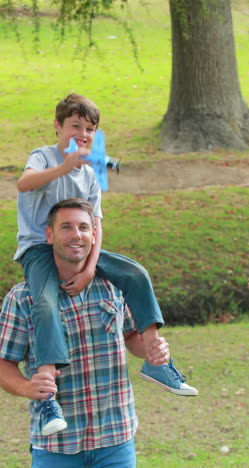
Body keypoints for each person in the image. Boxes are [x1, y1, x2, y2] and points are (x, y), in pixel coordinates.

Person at [14, 93, 198, 435]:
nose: (82, 135)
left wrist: (88, 269)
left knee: (135, 273)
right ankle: (46, 397)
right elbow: (23, 183)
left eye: (89, 130)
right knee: (44, 303)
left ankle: (158, 361)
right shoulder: (43, 157)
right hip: (41, 248)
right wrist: (63, 167)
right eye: (75, 127)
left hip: (83, 250)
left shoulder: (92, 172)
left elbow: (96, 226)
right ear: (58, 126)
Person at [0, 199, 172, 467]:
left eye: (83, 227)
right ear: (49, 234)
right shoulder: (22, 298)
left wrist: (152, 350)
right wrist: (25, 387)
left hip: (116, 439)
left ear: (94, 233)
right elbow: (3, 363)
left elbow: (130, 338)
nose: (76, 235)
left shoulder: (114, 287)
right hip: (56, 445)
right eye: (66, 227)